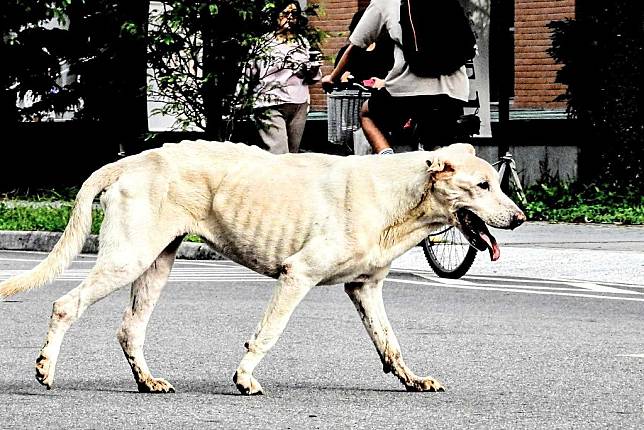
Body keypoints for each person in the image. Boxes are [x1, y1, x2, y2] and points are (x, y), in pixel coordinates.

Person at [321, 0, 470, 155]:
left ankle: (388, 160)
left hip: (408, 89)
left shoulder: (385, 1)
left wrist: (332, 77)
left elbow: (356, 46)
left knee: (367, 114)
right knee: (436, 147)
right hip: (455, 89)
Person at [239, 0, 322, 154]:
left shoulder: (302, 42)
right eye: (285, 13)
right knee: (278, 152)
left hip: (298, 102)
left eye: (294, 14)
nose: (290, 18)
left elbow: (312, 78)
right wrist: (243, 99)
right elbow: (249, 74)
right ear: (275, 15)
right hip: (270, 102)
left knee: (293, 153)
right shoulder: (263, 43)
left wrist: (312, 68)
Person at [333, 8, 394, 88]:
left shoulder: (386, 47)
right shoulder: (346, 52)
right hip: (352, 97)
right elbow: (337, 79)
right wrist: (343, 78)